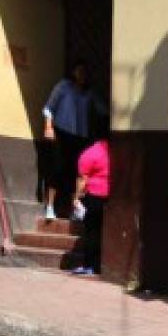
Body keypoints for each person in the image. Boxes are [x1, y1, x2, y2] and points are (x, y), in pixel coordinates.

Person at [42, 59, 104, 220]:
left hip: (81, 137)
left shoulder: (90, 93)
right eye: (79, 71)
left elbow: (102, 110)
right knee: (57, 169)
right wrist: (48, 127)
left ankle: (74, 208)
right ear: (74, 72)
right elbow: (49, 108)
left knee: (77, 172)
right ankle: (49, 207)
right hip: (62, 133)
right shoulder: (63, 86)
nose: (82, 75)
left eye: (85, 72)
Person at [70, 116, 110, 275]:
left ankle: (90, 265)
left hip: (94, 196)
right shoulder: (113, 152)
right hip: (110, 197)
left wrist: (76, 197)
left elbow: (82, 179)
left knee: (91, 232)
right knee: (102, 231)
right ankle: (98, 265)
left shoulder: (89, 154)